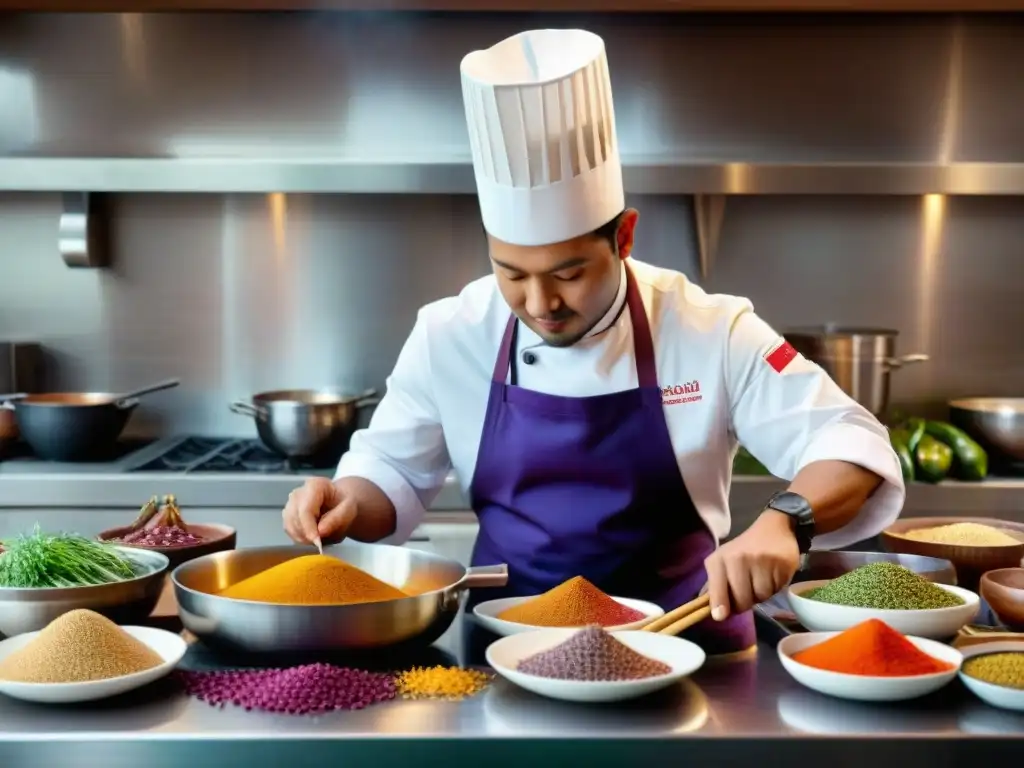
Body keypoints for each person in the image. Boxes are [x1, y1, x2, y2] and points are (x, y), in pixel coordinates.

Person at [282, 28, 905, 655]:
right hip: (508, 647)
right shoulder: (449, 332)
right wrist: (343, 502)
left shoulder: (710, 328)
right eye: (511, 273)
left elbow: (847, 441)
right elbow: (390, 475)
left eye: (568, 273)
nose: (539, 303)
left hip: (687, 645)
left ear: (625, 237)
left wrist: (787, 520)